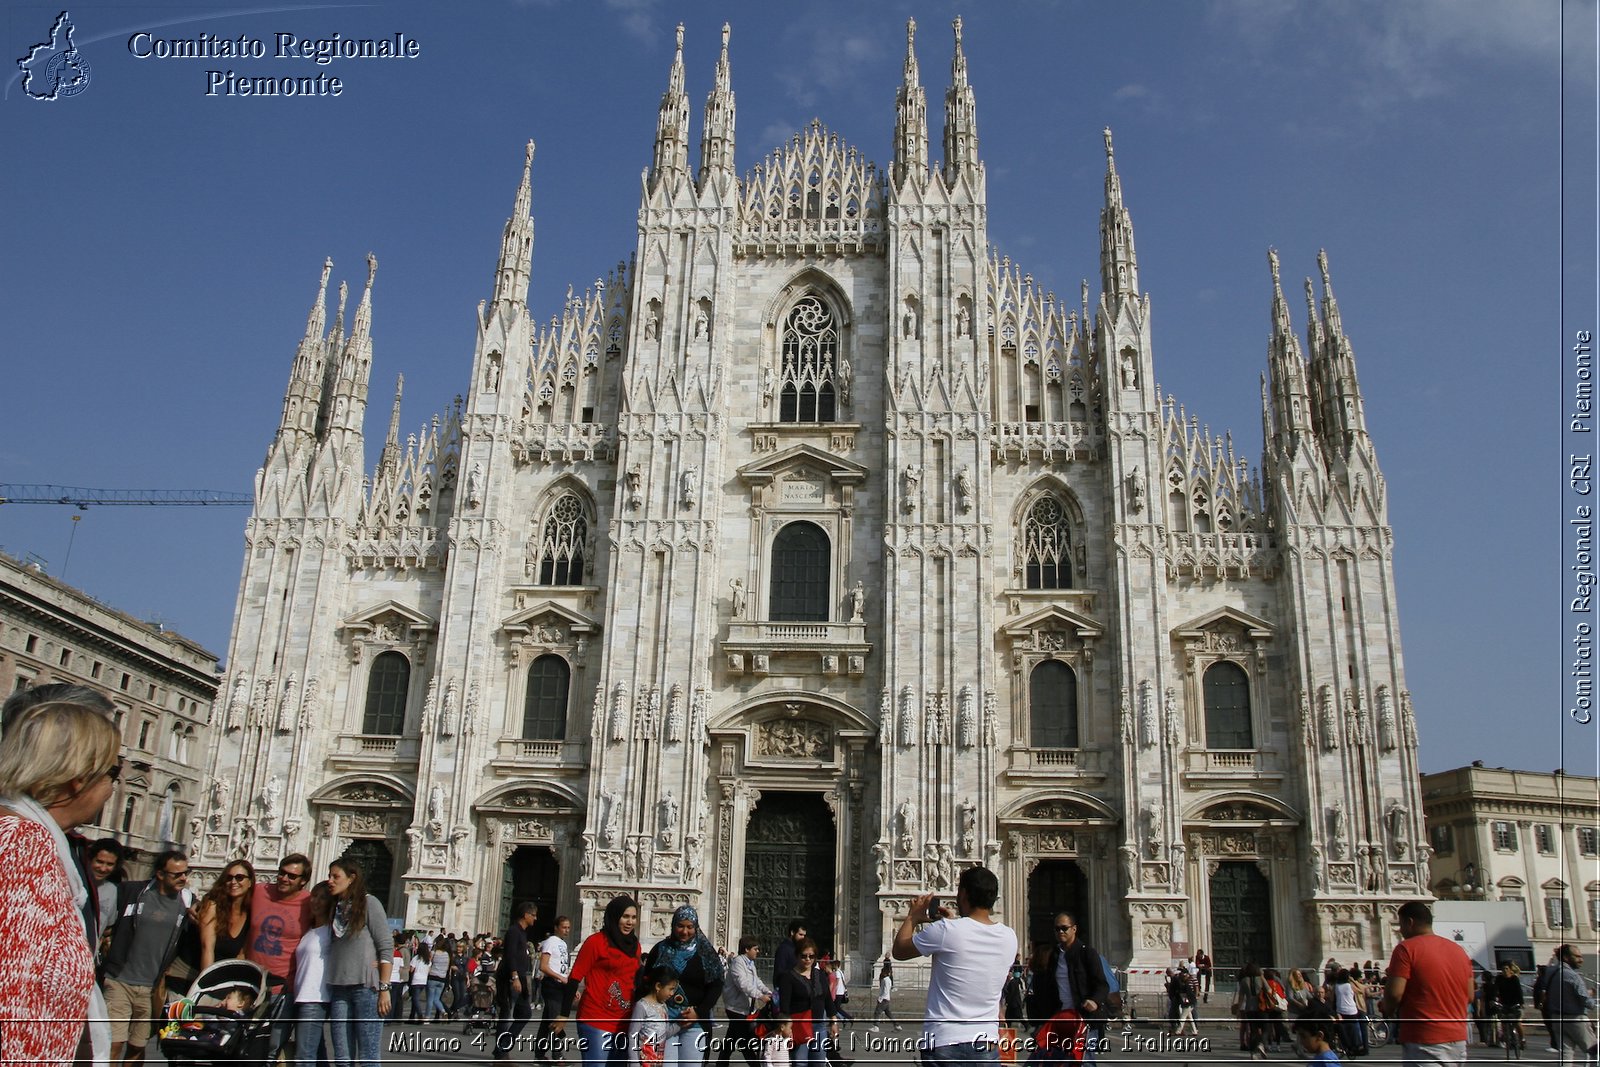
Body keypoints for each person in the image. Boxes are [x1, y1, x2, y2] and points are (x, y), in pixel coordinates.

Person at [0, 698, 119, 1065]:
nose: (113, 788)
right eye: (112, 773)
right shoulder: (24, 843)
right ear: (78, 779)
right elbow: (15, 1000)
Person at [894, 865, 1018, 1066]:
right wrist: (953, 923)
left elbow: (899, 950)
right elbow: (973, 945)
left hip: (944, 1042)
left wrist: (912, 917)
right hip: (986, 1042)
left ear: (964, 894)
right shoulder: (1010, 937)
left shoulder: (946, 931)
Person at [102, 849, 198, 1064]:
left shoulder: (188, 901)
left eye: (186, 872)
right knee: (113, 1043)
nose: (184, 878)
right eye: (177, 874)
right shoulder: (132, 892)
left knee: (137, 1046)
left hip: (152, 988)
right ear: (160, 874)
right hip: (119, 980)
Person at [1379, 900, 1473, 1066]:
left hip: (1423, 1037)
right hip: (1457, 1039)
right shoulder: (1458, 950)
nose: (1400, 931)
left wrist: (1387, 1008)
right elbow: (1470, 995)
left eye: (1401, 925)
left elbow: (1394, 993)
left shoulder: (1406, 949)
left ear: (1410, 922)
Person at [325, 855, 393, 1067]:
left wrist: (384, 988)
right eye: (329, 876)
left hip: (366, 988)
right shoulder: (334, 908)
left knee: (368, 1055)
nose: (330, 880)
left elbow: (385, 946)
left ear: (352, 878)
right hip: (339, 988)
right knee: (342, 1057)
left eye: (336, 876)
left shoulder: (369, 902)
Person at [641, 905, 725, 1067]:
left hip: (695, 1024)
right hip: (664, 1022)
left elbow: (716, 985)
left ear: (696, 927)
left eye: (689, 927)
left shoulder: (705, 953)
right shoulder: (660, 949)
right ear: (673, 926)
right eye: (680, 926)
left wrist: (699, 1012)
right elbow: (647, 983)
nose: (684, 931)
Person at [1025, 910, 1108, 1063]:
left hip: (1083, 1019)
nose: (1060, 932)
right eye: (1057, 929)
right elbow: (1044, 990)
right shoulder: (1053, 955)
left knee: (1084, 1061)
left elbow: (1102, 984)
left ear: (1074, 929)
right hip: (1060, 1019)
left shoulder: (1087, 954)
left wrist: (1094, 1001)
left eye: (1064, 928)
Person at [571, 895, 643, 1067]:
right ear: (614, 916)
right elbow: (575, 976)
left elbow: (635, 981)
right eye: (625, 916)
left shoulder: (635, 946)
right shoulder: (596, 942)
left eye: (633, 917)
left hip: (623, 1021)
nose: (630, 922)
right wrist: (562, 1015)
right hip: (595, 1018)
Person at [774, 938, 832, 1067]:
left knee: (819, 1062)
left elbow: (827, 998)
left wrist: (833, 1020)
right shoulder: (788, 977)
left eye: (811, 956)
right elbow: (785, 1005)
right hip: (799, 1025)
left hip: (819, 1024)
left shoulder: (820, 974)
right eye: (804, 956)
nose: (808, 959)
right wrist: (787, 1027)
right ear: (797, 956)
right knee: (800, 1062)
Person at [294, 881, 334, 1067]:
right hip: (300, 996)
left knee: (304, 1056)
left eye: (323, 898)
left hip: (315, 998)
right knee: (316, 1053)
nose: (316, 901)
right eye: (314, 896)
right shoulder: (309, 931)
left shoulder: (332, 933)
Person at [720, 935, 775, 1066]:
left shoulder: (750, 963)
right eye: (755, 949)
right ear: (746, 949)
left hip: (744, 1008)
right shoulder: (738, 962)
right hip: (736, 1007)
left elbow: (756, 981)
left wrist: (767, 991)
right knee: (745, 1042)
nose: (758, 951)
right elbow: (743, 984)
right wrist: (760, 996)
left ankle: (721, 1063)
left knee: (731, 1038)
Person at [495, 902, 539, 1059]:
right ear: (526, 915)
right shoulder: (514, 931)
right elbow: (510, 955)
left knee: (524, 1013)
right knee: (506, 1014)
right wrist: (514, 977)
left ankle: (502, 1048)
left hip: (518, 977)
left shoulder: (521, 932)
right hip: (510, 977)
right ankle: (501, 1053)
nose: (535, 918)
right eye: (533, 915)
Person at [198, 859, 255, 969]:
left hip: (221, 974)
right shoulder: (212, 905)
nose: (233, 882)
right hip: (192, 973)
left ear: (250, 882)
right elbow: (207, 949)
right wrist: (206, 984)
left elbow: (241, 956)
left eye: (239, 877)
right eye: (229, 878)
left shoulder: (251, 912)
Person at [1547, 943, 1598, 1063]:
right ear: (1566, 957)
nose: (1581, 960)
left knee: (1565, 1054)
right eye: (1577, 957)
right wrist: (1592, 1002)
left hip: (1557, 1018)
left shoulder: (1552, 973)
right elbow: (1586, 1001)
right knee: (1595, 1051)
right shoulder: (1573, 976)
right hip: (1575, 1018)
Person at [536, 915, 575, 1062]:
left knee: (547, 1021)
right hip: (551, 985)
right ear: (556, 927)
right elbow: (543, 966)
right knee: (555, 1020)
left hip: (560, 986)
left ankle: (539, 1055)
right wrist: (561, 978)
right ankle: (557, 1055)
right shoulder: (551, 942)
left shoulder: (563, 944)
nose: (567, 930)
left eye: (568, 927)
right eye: (564, 927)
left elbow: (562, 969)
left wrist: (570, 985)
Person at [627, 966, 679, 1067]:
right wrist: (634, 1063)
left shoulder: (663, 1006)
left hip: (657, 1062)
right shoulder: (641, 1006)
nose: (672, 993)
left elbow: (665, 1033)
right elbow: (632, 1035)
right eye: (670, 989)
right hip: (643, 1061)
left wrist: (681, 1024)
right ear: (658, 986)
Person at [88, 837, 125, 956]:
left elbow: (108, 926)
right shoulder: (75, 883)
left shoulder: (112, 890)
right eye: (99, 862)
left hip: (89, 955)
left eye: (109, 864)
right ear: (89, 860)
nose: (103, 868)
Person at [1232, 961, 1269, 1060]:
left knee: (1253, 1030)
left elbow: (1241, 997)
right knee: (1265, 1028)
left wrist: (1239, 1010)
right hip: (1261, 1007)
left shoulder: (1244, 980)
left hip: (1249, 1008)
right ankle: (1261, 1043)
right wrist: (1262, 976)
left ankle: (1253, 1053)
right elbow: (1269, 990)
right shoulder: (1260, 979)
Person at [1330, 968, 1367, 1057]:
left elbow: (1332, 998)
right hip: (1352, 1010)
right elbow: (1361, 990)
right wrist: (1353, 981)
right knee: (1354, 1030)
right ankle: (1356, 1047)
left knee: (1343, 1031)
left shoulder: (1336, 986)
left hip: (1341, 1010)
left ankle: (1347, 1047)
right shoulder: (1349, 985)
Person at [1493, 962, 1525, 1051]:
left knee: (1517, 1022)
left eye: (1507, 969)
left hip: (1515, 1003)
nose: (1505, 971)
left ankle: (1522, 1039)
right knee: (1503, 1022)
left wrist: (1521, 1003)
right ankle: (1507, 1039)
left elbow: (1519, 992)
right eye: (1503, 969)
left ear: (1510, 970)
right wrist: (1494, 1000)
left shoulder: (1515, 979)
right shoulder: (1499, 978)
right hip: (1504, 1003)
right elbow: (1495, 990)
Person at [772, 922, 806, 1000]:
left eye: (804, 935)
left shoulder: (797, 948)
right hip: (787, 990)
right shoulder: (784, 949)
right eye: (800, 934)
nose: (803, 938)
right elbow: (780, 971)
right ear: (792, 932)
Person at [869, 958, 902, 1033]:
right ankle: (897, 1025)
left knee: (877, 1012)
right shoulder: (888, 980)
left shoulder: (886, 980)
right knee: (888, 1013)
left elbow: (885, 991)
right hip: (886, 999)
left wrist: (880, 998)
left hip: (884, 999)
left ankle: (876, 1026)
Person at [427, 932, 453, 1022]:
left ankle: (427, 1017)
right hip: (442, 978)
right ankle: (443, 1011)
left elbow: (429, 963)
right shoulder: (447, 955)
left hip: (433, 976)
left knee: (430, 999)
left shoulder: (434, 952)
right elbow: (447, 968)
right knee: (437, 999)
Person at [410, 941, 433, 1021]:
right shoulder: (428, 960)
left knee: (415, 999)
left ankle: (420, 1015)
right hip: (424, 980)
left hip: (416, 980)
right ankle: (412, 1016)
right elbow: (429, 971)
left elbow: (411, 969)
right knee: (416, 998)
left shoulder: (416, 958)